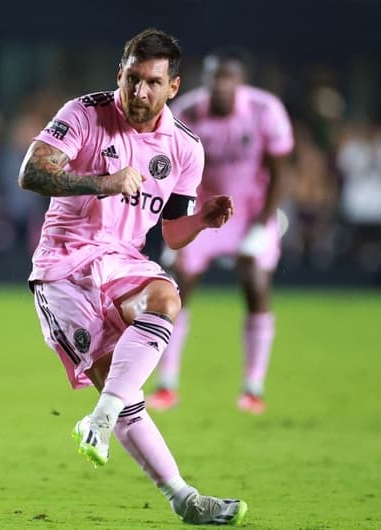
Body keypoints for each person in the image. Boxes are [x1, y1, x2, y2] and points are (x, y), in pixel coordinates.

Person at [19, 28, 247, 526]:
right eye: (132, 78)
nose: (139, 93)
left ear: (174, 87)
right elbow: (31, 173)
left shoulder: (185, 148)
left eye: (152, 83)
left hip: (124, 260)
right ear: (119, 74)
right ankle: (183, 497)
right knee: (126, 399)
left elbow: (173, 231)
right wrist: (102, 182)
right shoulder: (83, 113)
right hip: (64, 267)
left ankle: (98, 422)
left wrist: (202, 221)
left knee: (167, 297)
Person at [146, 48, 294, 415]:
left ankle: (253, 387)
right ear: (206, 80)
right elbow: (173, 173)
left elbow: (280, 171)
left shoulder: (265, 110)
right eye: (215, 78)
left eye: (229, 78)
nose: (222, 85)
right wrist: (177, 220)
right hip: (204, 209)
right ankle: (167, 384)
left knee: (255, 283)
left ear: (241, 82)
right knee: (178, 286)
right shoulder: (187, 113)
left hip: (251, 211)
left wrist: (262, 225)